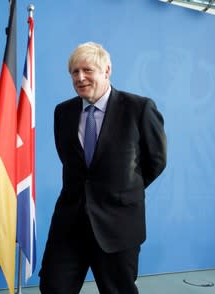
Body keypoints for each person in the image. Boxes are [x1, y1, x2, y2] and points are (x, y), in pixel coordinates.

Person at [39, 42, 167, 294]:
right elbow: (71, 163)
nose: (80, 77)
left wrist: (123, 188)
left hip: (118, 225)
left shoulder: (139, 108)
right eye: (74, 72)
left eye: (87, 70)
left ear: (107, 70)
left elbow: (156, 160)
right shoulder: (63, 112)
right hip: (69, 224)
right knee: (53, 287)